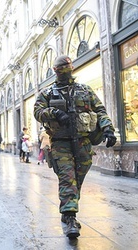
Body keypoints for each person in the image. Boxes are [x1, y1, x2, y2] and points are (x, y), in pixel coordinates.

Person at [34, 55, 117, 239]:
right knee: (67, 177)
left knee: (77, 178)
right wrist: (54, 112)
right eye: (62, 67)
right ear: (56, 71)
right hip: (60, 143)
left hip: (83, 142)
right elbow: (38, 112)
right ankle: (71, 218)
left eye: (68, 66)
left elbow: (99, 110)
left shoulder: (84, 90)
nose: (67, 70)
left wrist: (108, 130)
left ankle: (67, 208)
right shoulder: (48, 93)